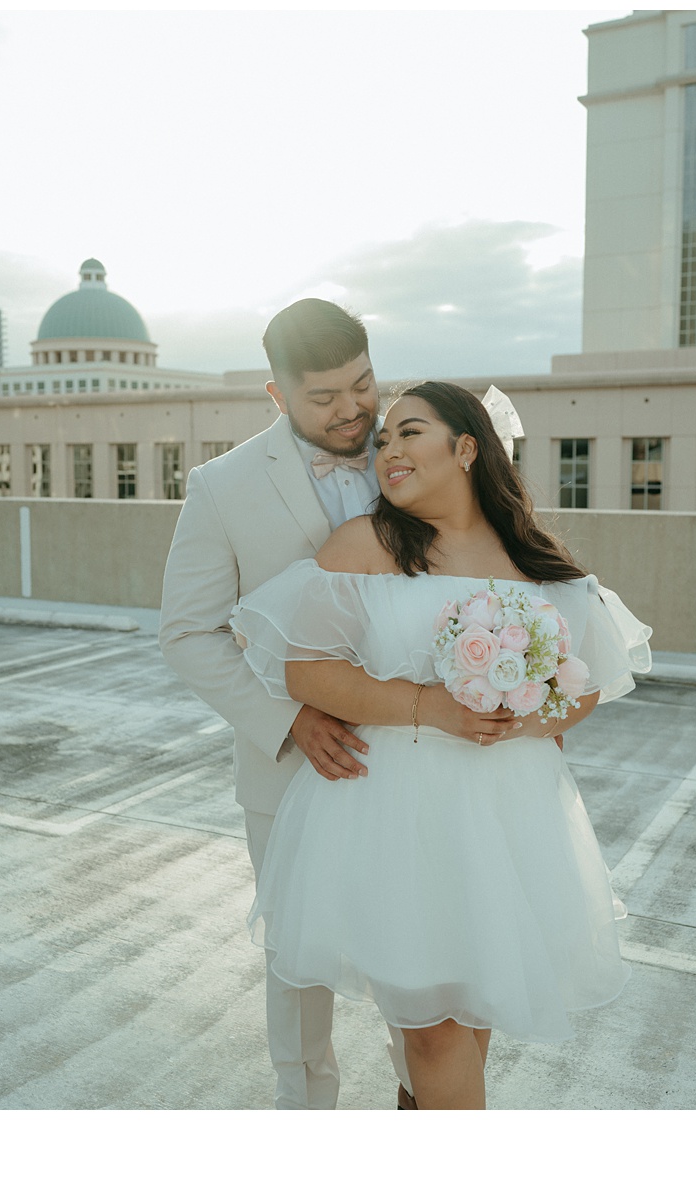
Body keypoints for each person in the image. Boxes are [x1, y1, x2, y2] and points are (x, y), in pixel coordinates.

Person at [230, 380, 652, 1110]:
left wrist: (527, 713)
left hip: (507, 816)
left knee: (466, 1020)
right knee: (431, 1031)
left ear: (466, 448)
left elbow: (585, 684)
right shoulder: (365, 544)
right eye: (383, 440)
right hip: (395, 809)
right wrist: (436, 708)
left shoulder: (535, 558)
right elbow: (307, 669)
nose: (388, 450)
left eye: (409, 433)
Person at [159, 303, 498, 1109]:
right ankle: (305, 1115)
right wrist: (289, 722)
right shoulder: (222, 487)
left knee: (419, 948)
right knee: (298, 960)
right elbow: (187, 632)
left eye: (363, 383)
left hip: (421, 760)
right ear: (277, 395)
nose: (354, 411)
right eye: (325, 397)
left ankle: (419, 1099)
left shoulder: (418, 447)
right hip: (291, 766)